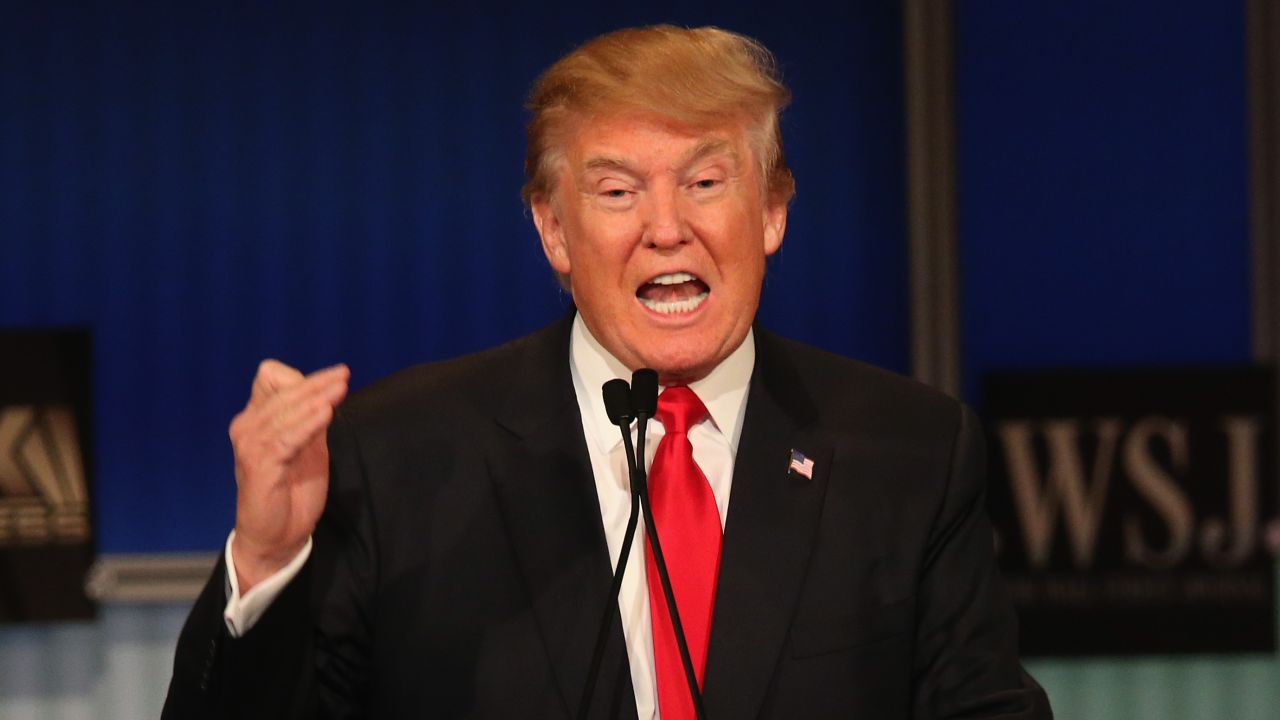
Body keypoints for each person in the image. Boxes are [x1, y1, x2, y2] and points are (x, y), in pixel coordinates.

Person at [163, 25, 1052, 720]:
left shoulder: (907, 450)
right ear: (553, 231)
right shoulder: (401, 456)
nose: (666, 228)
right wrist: (268, 562)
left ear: (773, 211)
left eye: (706, 182)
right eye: (618, 192)